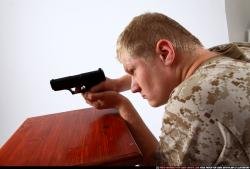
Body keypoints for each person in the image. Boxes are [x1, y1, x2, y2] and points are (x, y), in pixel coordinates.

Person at [80, 12, 250, 166]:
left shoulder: (191, 99)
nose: (133, 88)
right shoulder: (236, 51)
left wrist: (122, 105)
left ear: (165, 52)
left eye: (133, 71)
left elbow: (161, 165)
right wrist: (117, 84)